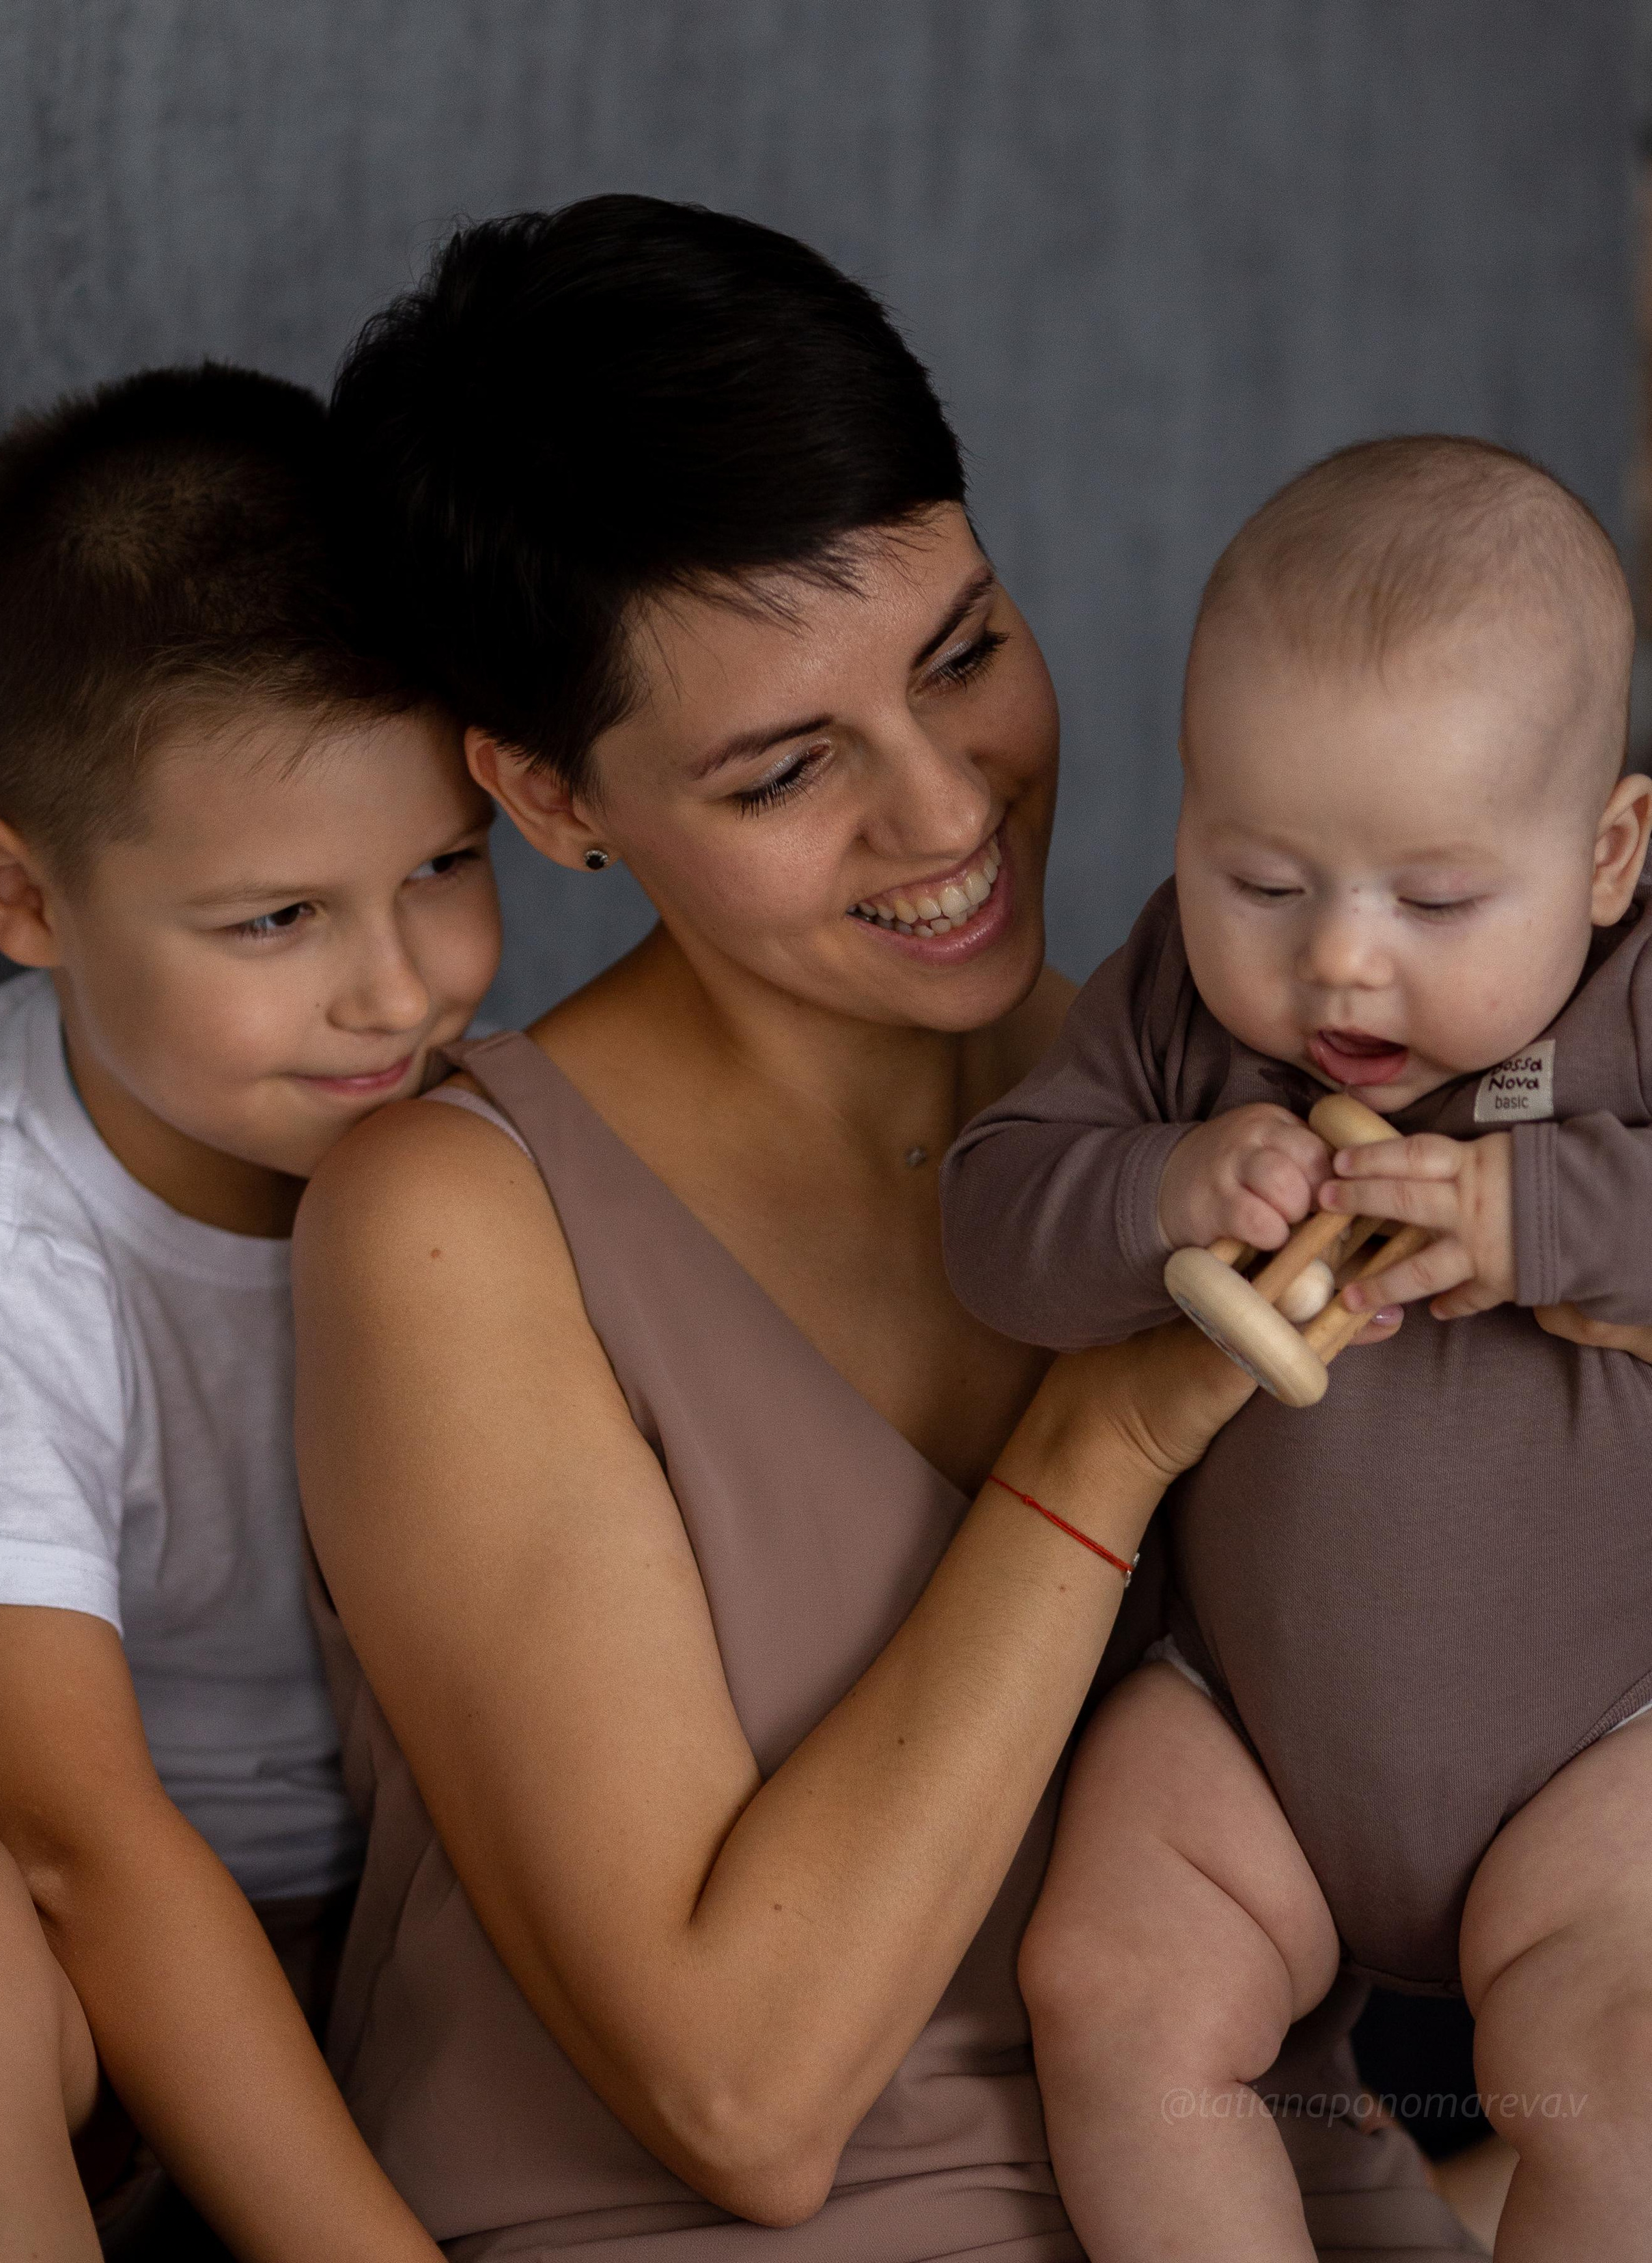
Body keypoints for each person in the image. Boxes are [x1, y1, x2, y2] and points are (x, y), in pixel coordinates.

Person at [293, 195, 1487, 2260]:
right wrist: (1100, 1435)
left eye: (965, 654)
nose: (946, 813)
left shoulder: (1250, 1098)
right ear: (553, 796)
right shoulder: (457, 1226)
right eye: (784, 770)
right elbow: (743, 2092)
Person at [940, 435, 1652, 2258]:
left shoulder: (1637, 1007)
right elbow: (993, 1223)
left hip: (1604, 1743)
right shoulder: (1182, 1005)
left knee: (1633, 2085)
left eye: (1432, 902)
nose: (1339, 966)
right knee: (1109, 1987)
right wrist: (1165, 1185)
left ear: (1608, 852)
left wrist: (1538, 1218)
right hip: (1244, 1725)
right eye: (1262, 877)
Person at [0, 364, 499, 2262]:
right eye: (277, 922)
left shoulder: (484, 1132)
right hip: (80, 1972)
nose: (399, 990)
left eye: (444, 868)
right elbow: (69, 1831)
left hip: (426, 1913)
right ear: (22, 894)